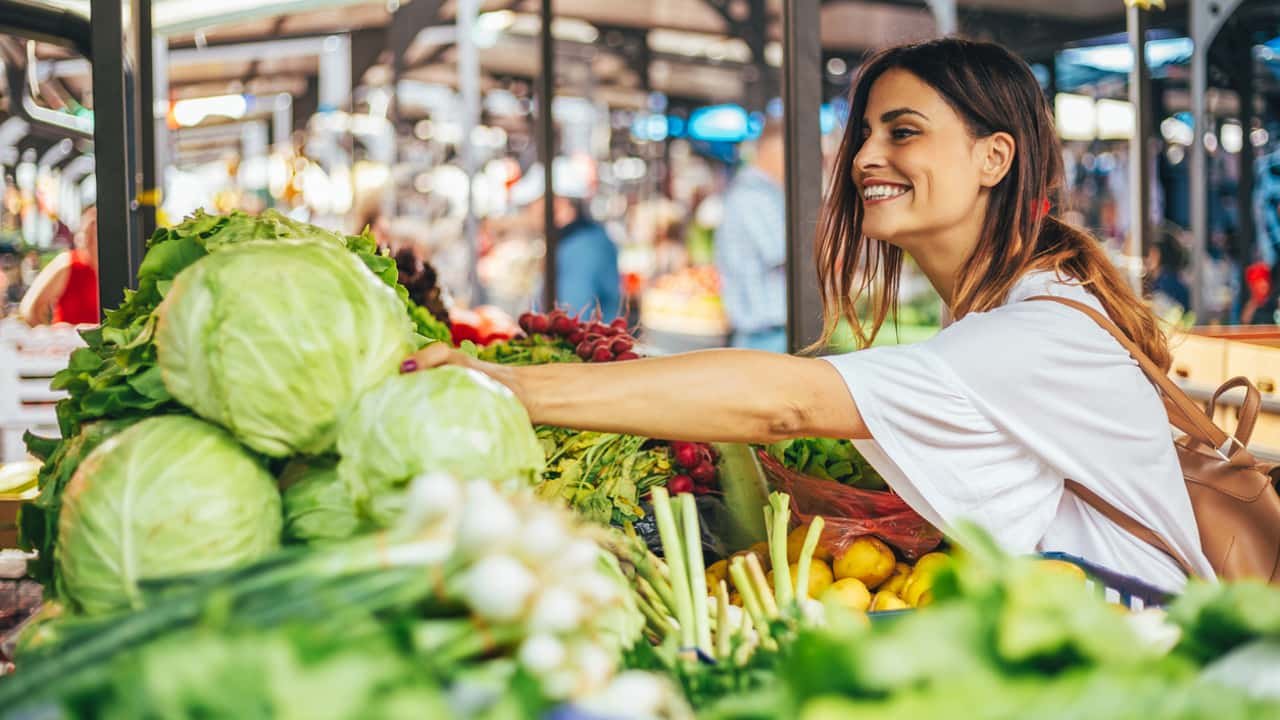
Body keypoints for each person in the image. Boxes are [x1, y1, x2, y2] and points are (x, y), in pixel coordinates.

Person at [403, 39, 1212, 591]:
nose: (863, 158)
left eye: (903, 132)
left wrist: (504, 384)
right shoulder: (1021, 308)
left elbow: (784, 401)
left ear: (993, 158)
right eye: (862, 133)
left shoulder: (1036, 330)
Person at [509, 158, 620, 321]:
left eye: (531, 205)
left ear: (556, 203)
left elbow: (571, 318)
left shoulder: (583, 249)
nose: (528, 213)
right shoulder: (576, 241)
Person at [714, 122, 787, 352]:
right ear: (775, 150)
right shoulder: (755, 195)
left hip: (763, 335)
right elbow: (786, 253)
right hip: (765, 336)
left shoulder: (754, 191)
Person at [19, 207, 99, 326]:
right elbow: (29, 310)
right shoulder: (67, 264)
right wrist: (47, 337)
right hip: (69, 343)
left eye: (94, 233)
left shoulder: (117, 270)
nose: (89, 239)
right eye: (86, 232)